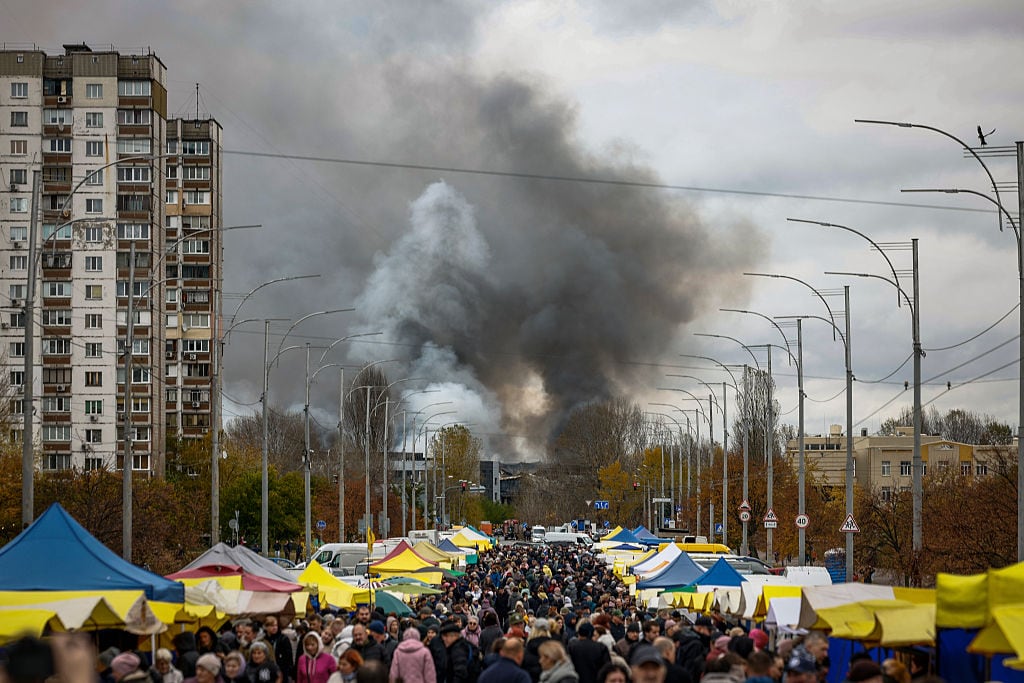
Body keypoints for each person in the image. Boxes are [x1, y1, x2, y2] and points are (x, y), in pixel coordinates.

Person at [265, 616, 295, 683]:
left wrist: (288, 672)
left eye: (276, 625)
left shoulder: (283, 639)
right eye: (272, 625)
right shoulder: (264, 640)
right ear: (266, 627)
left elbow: (289, 657)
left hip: (282, 672)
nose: (274, 627)